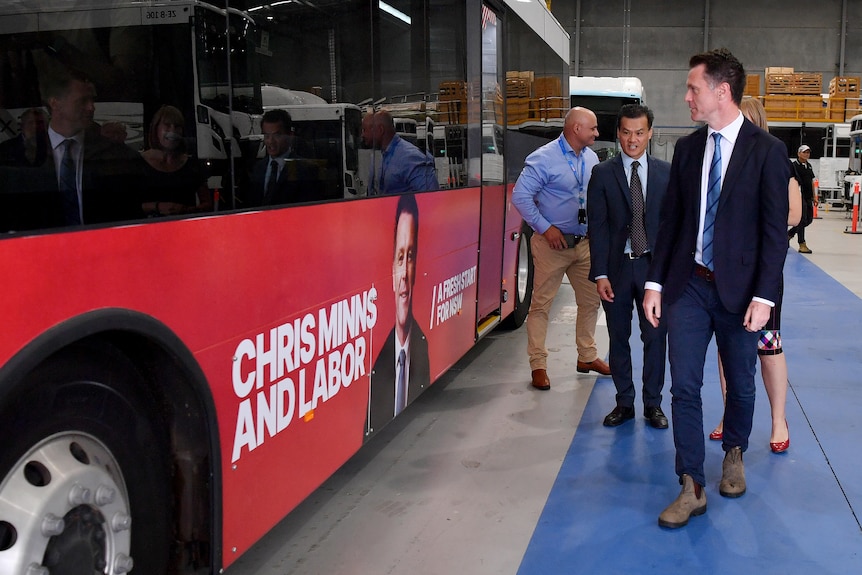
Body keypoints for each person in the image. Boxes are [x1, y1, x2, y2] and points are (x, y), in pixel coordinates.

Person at [643, 48, 790, 529]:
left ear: (720, 91)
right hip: (689, 286)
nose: (686, 95)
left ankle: (733, 452)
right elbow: (672, 224)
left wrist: (765, 297)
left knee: (742, 384)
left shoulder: (766, 151)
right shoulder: (687, 149)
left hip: (742, 293)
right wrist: (655, 282)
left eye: (693, 87)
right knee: (683, 384)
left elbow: (773, 232)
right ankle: (691, 484)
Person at [709, 95, 802, 453]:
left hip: (761, 273)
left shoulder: (776, 161)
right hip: (724, 271)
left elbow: (793, 215)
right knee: (727, 348)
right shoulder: (716, 163)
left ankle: (779, 418)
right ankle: (730, 415)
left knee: (768, 345)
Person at [512, 106, 611, 392]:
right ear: (576, 129)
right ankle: (538, 364)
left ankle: (587, 357)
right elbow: (521, 196)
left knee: (591, 301)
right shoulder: (543, 159)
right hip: (551, 245)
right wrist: (545, 227)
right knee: (541, 306)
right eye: (592, 128)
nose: (596, 132)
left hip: (583, 245)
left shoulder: (591, 158)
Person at [587, 104, 669, 428]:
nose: (632, 140)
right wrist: (601, 273)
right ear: (618, 133)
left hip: (652, 270)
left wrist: (664, 277)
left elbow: (671, 227)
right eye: (625, 132)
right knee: (618, 337)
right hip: (617, 270)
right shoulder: (602, 174)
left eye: (639, 132)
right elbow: (599, 226)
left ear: (650, 133)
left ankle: (653, 404)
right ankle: (624, 403)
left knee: (654, 337)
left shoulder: (666, 173)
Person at [369, 193, 431, 433]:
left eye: (411, 257)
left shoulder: (424, 348)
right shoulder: (376, 367)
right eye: (400, 257)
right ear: (391, 270)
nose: (404, 272)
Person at [140, 105, 212, 216]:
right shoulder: (139, 163)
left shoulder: (192, 164)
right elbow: (128, 204)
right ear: (156, 128)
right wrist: (157, 207)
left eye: (177, 126)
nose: (172, 131)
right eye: (167, 126)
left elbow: (207, 204)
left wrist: (186, 210)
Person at [248, 108, 321, 206]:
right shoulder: (258, 168)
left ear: (290, 136)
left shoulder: (306, 169)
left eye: (277, 136)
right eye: (267, 136)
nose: (270, 141)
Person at [367, 110, 438, 195]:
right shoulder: (381, 156)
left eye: (365, 130)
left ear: (380, 130)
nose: (362, 135)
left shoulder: (411, 157)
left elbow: (432, 197)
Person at [788, 144, 815, 253]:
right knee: (802, 219)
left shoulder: (809, 166)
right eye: (804, 152)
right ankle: (802, 243)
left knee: (808, 220)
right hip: (799, 196)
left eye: (808, 152)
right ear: (799, 153)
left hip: (808, 196)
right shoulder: (794, 166)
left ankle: (789, 234)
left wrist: (815, 196)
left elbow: (812, 181)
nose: (806, 154)